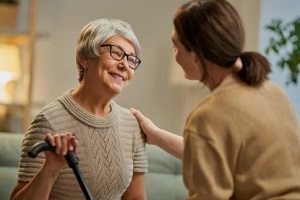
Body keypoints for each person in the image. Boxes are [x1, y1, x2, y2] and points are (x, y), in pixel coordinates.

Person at [131, 0, 300, 199]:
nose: (174, 54)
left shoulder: (208, 115)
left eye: (176, 46)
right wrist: (157, 136)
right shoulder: (272, 92)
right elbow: (219, 154)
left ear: (196, 56)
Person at [10, 18, 148, 200]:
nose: (124, 65)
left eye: (131, 59)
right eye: (116, 53)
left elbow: (135, 198)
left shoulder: (132, 124)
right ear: (85, 58)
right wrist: (50, 170)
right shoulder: (49, 121)